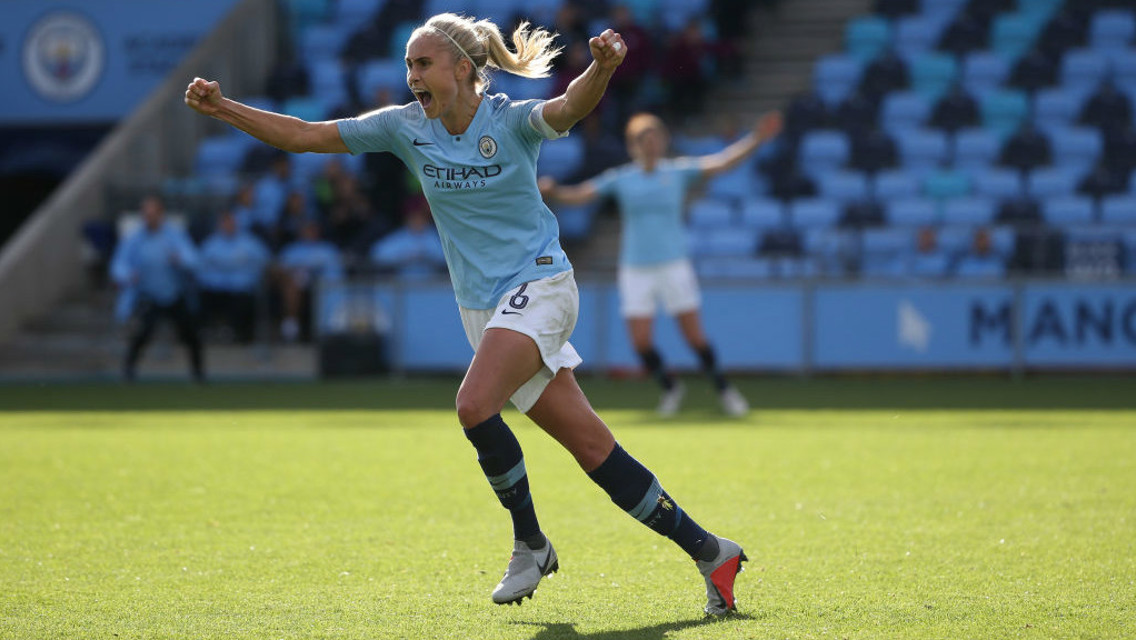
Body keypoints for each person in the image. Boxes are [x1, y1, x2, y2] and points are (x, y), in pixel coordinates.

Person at [186, 12, 748, 616]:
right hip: (484, 309)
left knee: (472, 405)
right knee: (594, 450)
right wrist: (227, 110)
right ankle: (711, 551)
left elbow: (566, 108)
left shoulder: (508, 120)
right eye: (407, 64)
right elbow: (303, 135)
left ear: (461, 68)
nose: (412, 76)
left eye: (422, 63)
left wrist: (602, 67)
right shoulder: (405, 127)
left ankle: (531, 543)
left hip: (542, 283)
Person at [540, 110, 782, 417]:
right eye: (643, 139)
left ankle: (724, 390)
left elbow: (721, 162)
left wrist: (757, 138)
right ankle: (671, 387)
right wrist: (555, 191)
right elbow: (584, 194)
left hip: (674, 265)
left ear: (664, 142)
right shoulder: (623, 178)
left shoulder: (678, 172)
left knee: (694, 337)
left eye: (655, 138)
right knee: (640, 342)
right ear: (633, 145)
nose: (650, 145)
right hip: (636, 268)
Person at [110, 195, 204, 382]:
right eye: (146, 213)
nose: (149, 217)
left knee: (190, 333)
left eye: (153, 213)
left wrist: (180, 259)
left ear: (161, 214)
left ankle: (198, 373)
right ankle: (128, 371)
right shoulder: (134, 239)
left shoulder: (174, 236)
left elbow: (193, 259)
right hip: (148, 295)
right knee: (142, 334)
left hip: (174, 293)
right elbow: (118, 265)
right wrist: (128, 275)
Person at [196, 209, 272, 344]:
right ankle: (207, 330)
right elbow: (200, 265)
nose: (228, 225)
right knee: (202, 295)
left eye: (231, 222)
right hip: (216, 288)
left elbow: (265, 260)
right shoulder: (211, 243)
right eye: (225, 222)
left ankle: (237, 332)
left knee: (243, 300)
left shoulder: (250, 242)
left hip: (241, 289)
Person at [274, 219, 344, 342]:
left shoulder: (329, 249)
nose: (311, 232)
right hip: (298, 283)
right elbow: (279, 270)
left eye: (313, 229)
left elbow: (337, 274)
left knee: (333, 291)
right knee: (292, 285)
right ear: (301, 232)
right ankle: (291, 326)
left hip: (324, 285)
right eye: (307, 229)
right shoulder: (291, 250)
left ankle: (329, 332)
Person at [368, 196, 447, 280]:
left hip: (433, 286)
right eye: (414, 216)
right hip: (403, 286)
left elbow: (448, 256)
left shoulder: (433, 235)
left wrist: (426, 255)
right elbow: (377, 254)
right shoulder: (400, 236)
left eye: (421, 216)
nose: (418, 220)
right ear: (408, 217)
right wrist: (405, 255)